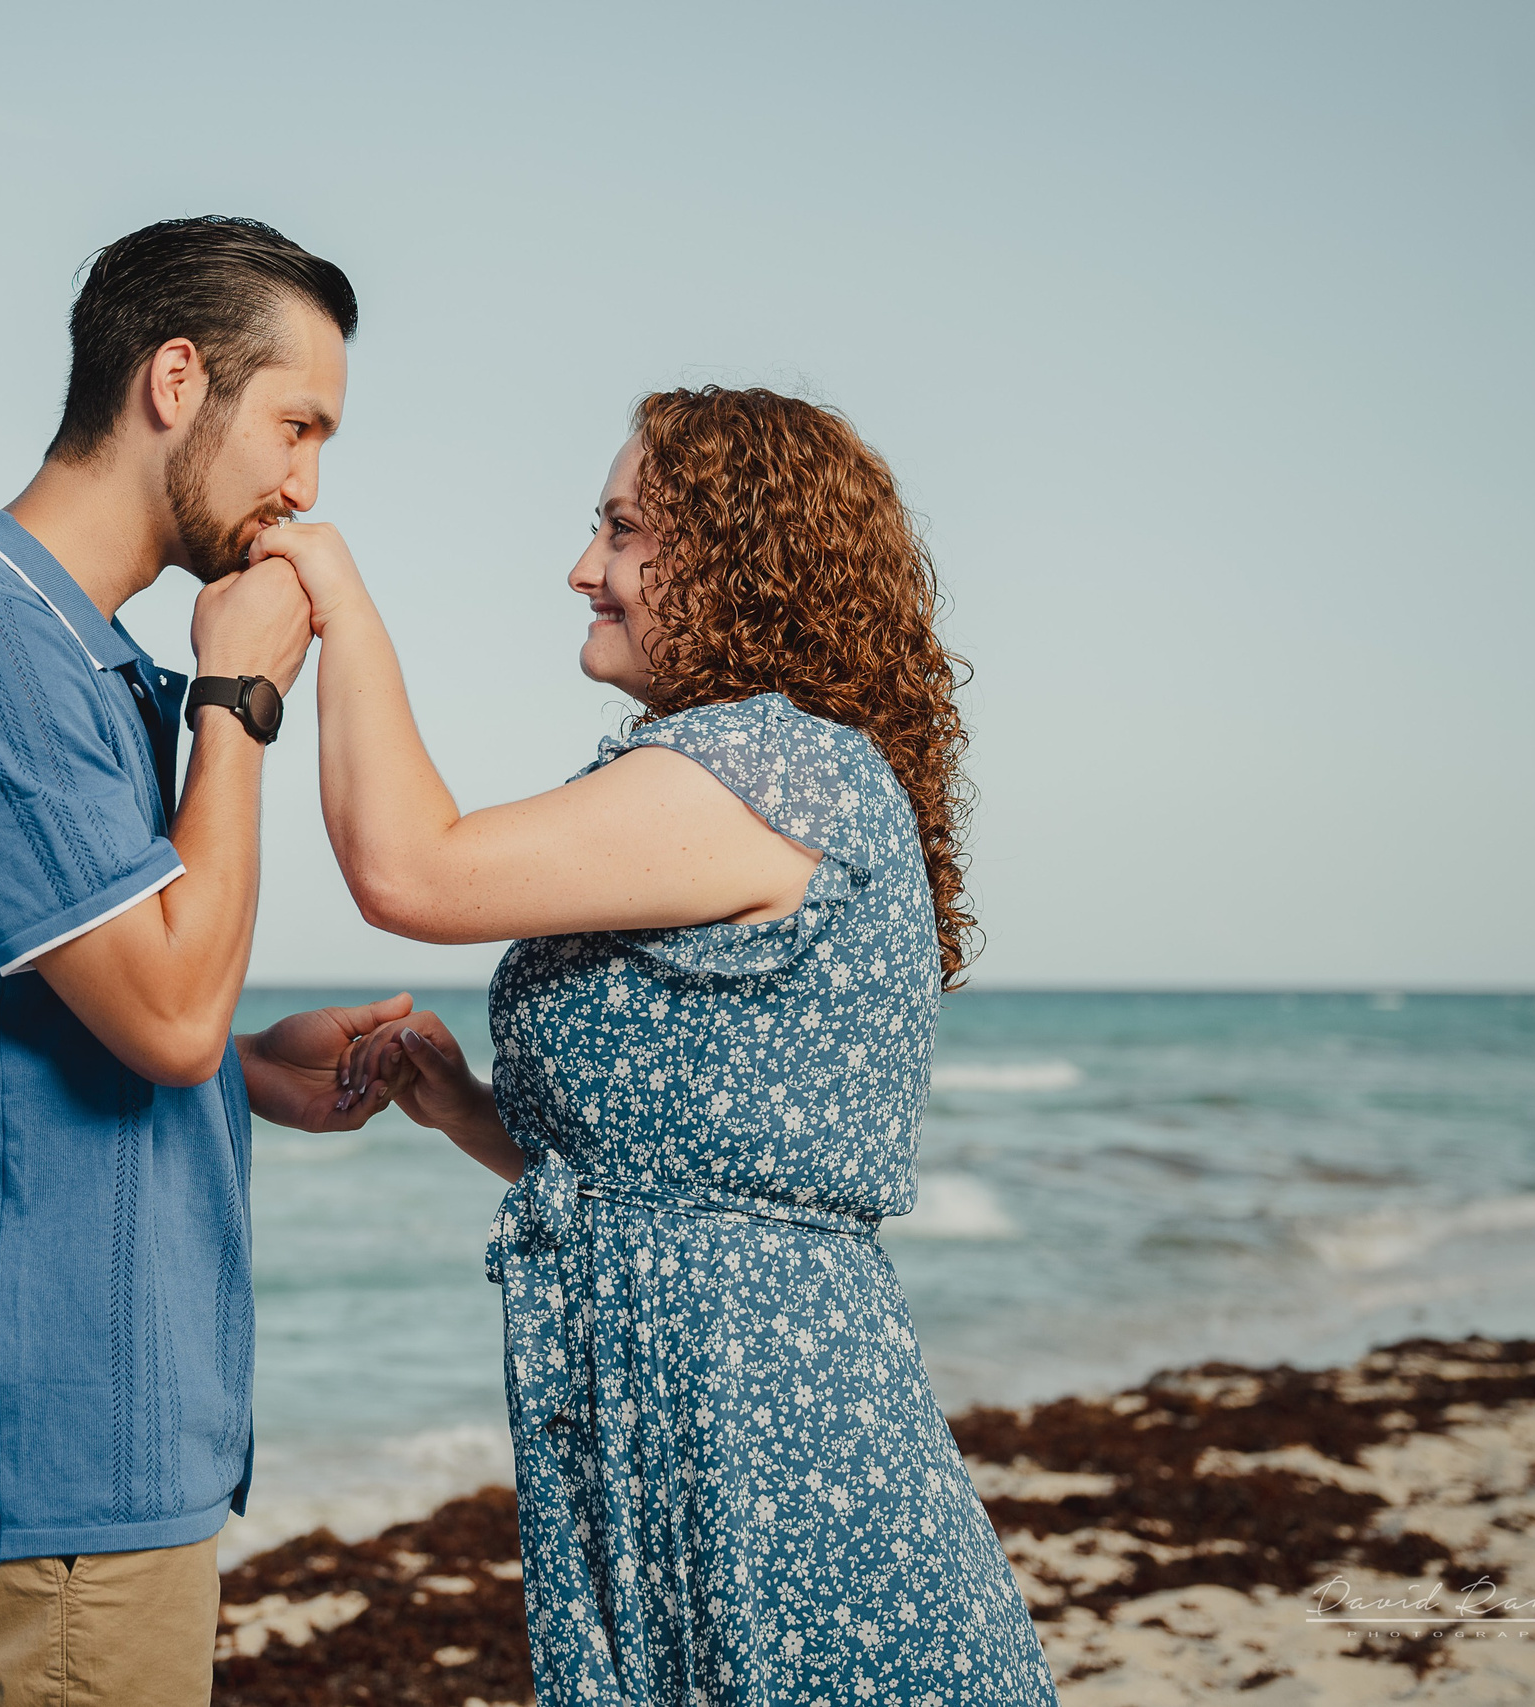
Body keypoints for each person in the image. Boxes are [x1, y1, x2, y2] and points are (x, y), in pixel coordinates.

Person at [267, 387, 1060, 1704]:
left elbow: (413, 872)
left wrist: (340, 607)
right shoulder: (768, 770)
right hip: (704, 1400)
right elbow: (691, 1166)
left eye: (625, 531)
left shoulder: (773, 773)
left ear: (744, 561)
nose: (586, 568)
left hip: (758, 1421)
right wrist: (469, 1111)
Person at [0, 216, 409, 1706]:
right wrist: (238, 702)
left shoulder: (70, 651)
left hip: (55, 1456)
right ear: (175, 381)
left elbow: (90, 1022)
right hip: (40, 1463)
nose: (308, 486)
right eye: (297, 426)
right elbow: (172, 1014)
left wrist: (243, 1076)